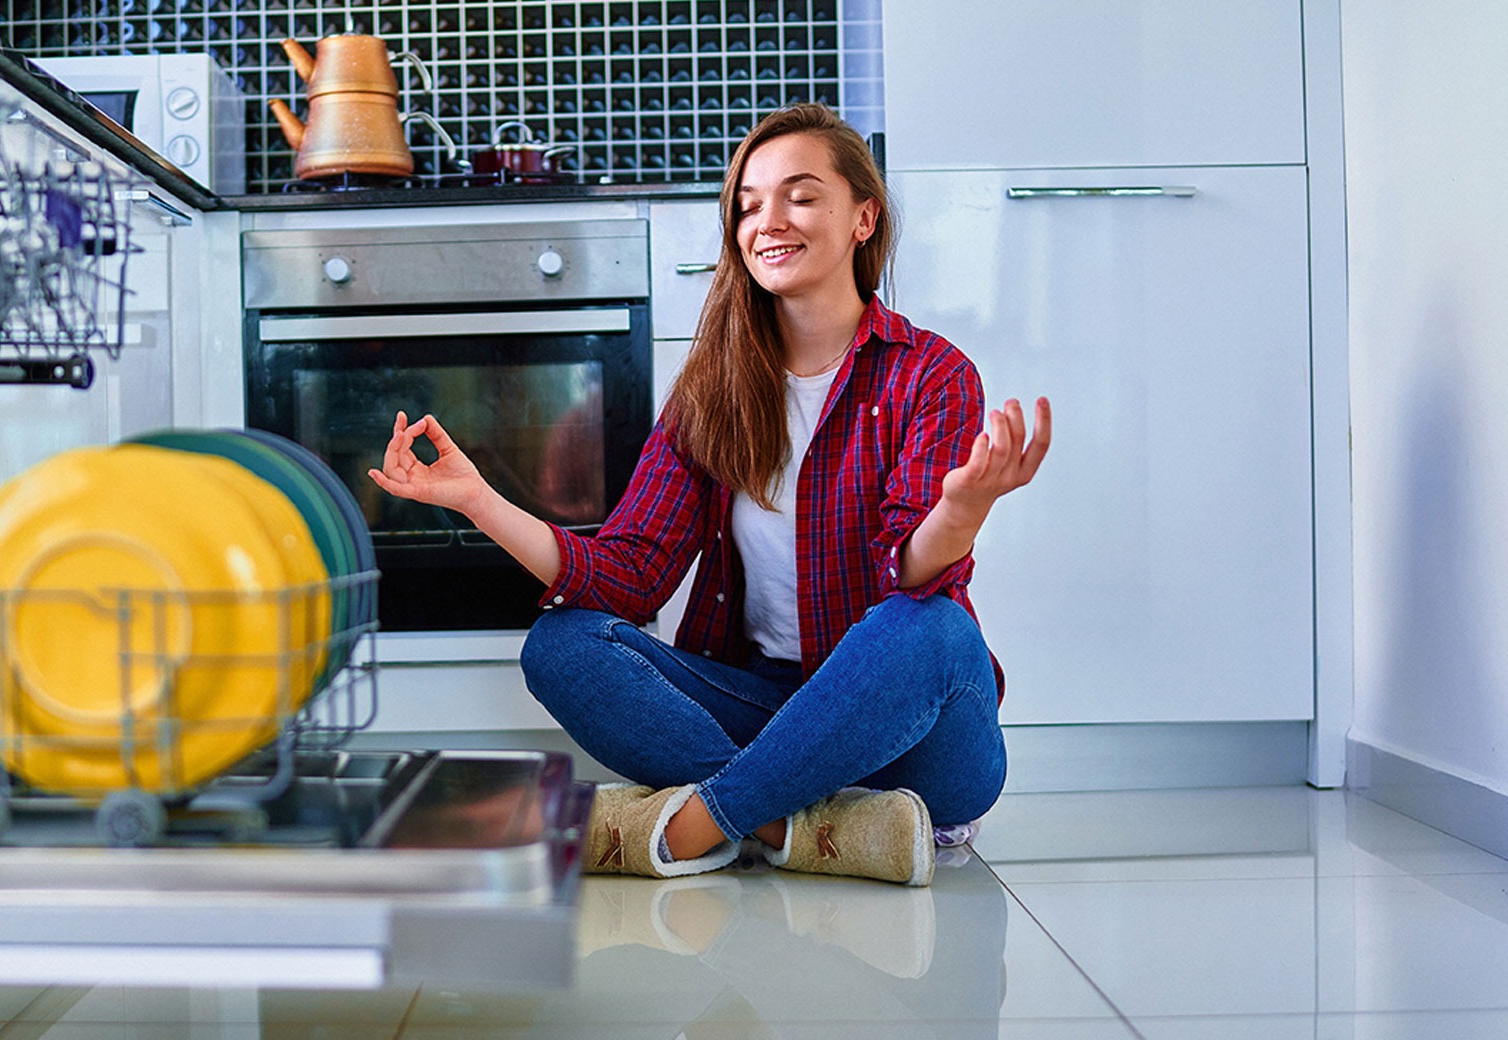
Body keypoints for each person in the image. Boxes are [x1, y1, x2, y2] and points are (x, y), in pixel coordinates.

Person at [368, 103, 1051, 886]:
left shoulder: (930, 373)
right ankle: (801, 827)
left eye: (799, 195)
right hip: (764, 711)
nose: (769, 220)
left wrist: (962, 511)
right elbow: (629, 573)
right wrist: (479, 501)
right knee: (561, 644)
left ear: (864, 217)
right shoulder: (711, 393)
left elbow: (913, 575)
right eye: (749, 204)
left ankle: (698, 825)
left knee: (927, 631)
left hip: (911, 737)